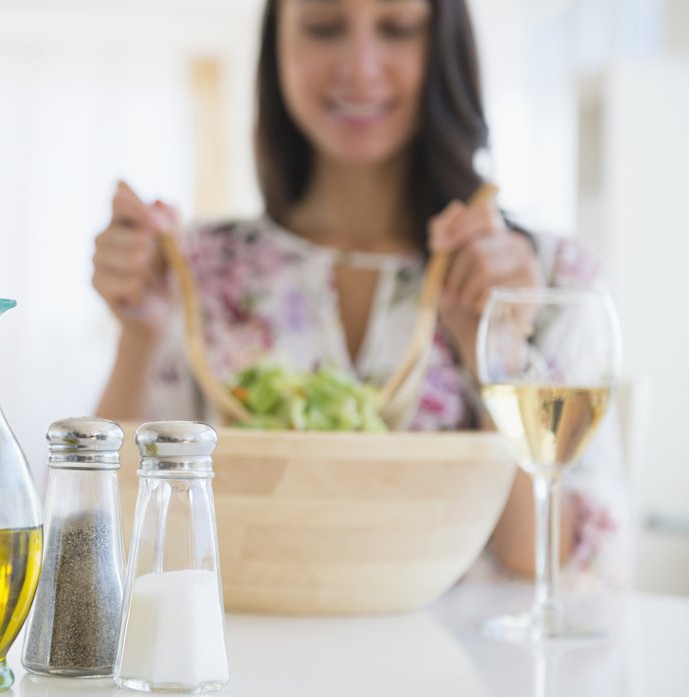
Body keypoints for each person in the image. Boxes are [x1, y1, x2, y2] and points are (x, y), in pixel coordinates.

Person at [91, 0, 628, 586]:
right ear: (278, 46)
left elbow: (551, 567)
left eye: (398, 29)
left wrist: (494, 348)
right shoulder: (195, 271)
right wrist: (139, 336)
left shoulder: (551, 277)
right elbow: (107, 538)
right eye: (324, 27)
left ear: (444, 47)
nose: (360, 68)